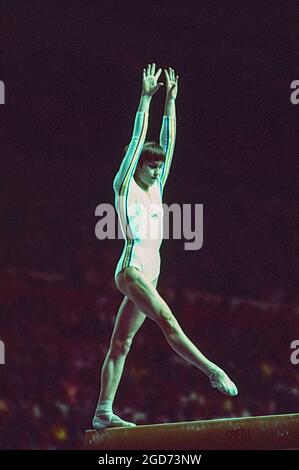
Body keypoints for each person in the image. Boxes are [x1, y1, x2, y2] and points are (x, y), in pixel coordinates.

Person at [93, 63, 238, 430]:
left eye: (159, 167)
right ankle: (212, 370)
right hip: (132, 269)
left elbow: (168, 142)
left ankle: (102, 413)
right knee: (168, 321)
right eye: (150, 165)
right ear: (136, 164)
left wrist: (171, 102)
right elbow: (140, 139)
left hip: (150, 273)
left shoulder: (157, 186)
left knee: (121, 344)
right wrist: (145, 98)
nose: (157, 171)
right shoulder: (125, 186)